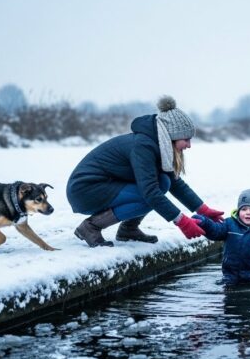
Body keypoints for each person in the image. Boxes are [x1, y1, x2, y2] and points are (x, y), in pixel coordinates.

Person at [66, 96, 224, 247]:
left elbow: (174, 182)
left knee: (163, 182)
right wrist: (182, 221)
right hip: (86, 190)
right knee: (151, 192)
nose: (189, 145)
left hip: (105, 185)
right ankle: (90, 227)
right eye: (186, 139)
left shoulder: (159, 145)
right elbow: (150, 191)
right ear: (173, 136)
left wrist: (204, 210)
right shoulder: (144, 146)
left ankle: (129, 230)